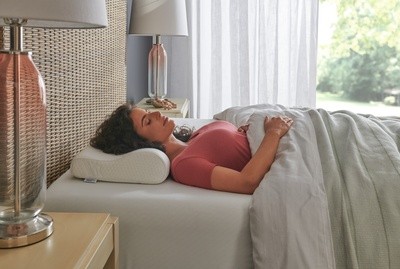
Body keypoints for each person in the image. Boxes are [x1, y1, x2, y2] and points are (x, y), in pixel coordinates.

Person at [90, 103, 293, 194]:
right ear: (139, 143)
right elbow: (246, 182)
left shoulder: (193, 137)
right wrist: (273, 133)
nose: (157, 115)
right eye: (147, 121)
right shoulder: (184, 165)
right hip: (285, 143)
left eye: (148, 112)